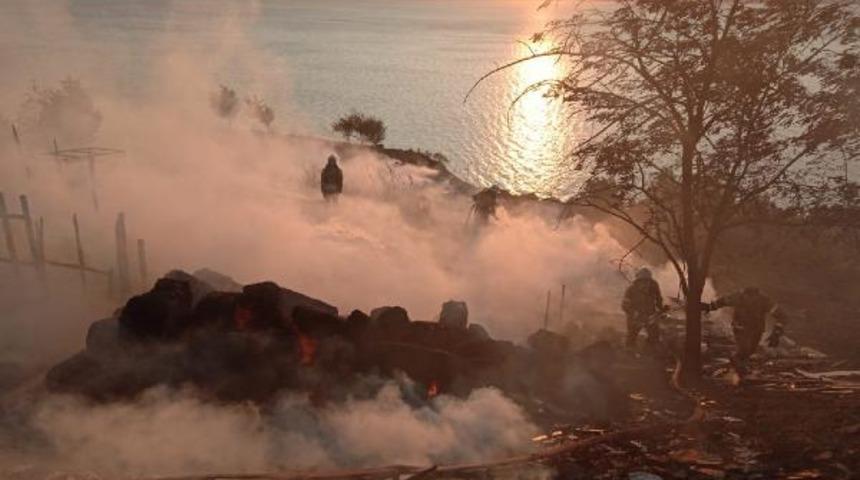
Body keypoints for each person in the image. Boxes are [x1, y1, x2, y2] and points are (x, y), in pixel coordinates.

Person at [704, 287, 785, 373]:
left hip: (756, 330)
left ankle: (739, 368)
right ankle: (738, 370)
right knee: (744, 349)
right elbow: (723, 301)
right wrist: (710, 307)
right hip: (741, 329)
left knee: (750, 350)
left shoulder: (763, 299)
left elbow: (780, 315)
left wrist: (777, 332)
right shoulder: (738, 296)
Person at [621, 267, 666, 348]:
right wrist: (634, 313)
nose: (646, 283)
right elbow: (625, 306)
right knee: (631, 338)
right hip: (635, 317)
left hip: (650, 315)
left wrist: (661, 309)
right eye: (643, 281)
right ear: (638, 281)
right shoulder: (631, 290)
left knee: (654, 337)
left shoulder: (654, 285)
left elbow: (658, 298)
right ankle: (629, 354)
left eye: (647, 280)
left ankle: (650, 352)